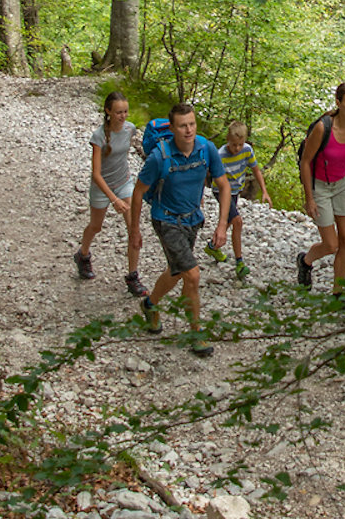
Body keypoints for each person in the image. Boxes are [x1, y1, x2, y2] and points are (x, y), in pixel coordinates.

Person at [130, 102, 230, 357]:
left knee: (177, 271)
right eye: (183, 126)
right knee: (193, 275)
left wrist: (221, 225)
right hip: (166, 220)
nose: (188, 130)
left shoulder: (206, 148)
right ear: (172, 128)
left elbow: (224, 185)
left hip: (192, 219)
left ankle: (150, 304)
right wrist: (134, 230)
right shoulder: (159, 156)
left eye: (192, 124)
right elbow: (139, 191)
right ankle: (196, 333)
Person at [296, 83, 345, 303]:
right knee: (331, 244)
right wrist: (309, 197)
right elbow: (305, 161)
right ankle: (305, 261)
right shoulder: (323, 128)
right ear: (338, 103)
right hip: (320, 185)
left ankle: (339, 294)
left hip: (344, 183)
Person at [74, 92, 141, 292]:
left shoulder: (130, 130)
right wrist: (113, 200)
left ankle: (133, 276)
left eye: (125, 112)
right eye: (118, 112)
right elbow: (96, 174)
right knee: (96, 226)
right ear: (108, 111)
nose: (123, 116)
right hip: (102, 187)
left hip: (124, 182)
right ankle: (83, 254)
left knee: (133, 229)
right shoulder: (99, 136)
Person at [211, 120, 266, 278]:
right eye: (234, 144)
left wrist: (264, 190)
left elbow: (256, 170)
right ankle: (239, 263)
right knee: (237, 221)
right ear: (228, 139)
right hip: (221, 191)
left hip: (235, 191)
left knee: (228, 221)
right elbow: (207, 173)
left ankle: (212, 246)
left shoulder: (247, 150)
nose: (237, 148)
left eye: (240, 144)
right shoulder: (220, 155)